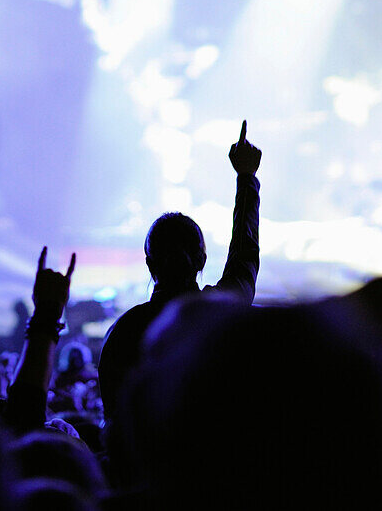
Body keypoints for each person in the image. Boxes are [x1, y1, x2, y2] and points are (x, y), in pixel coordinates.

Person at [98, 119, 261, 422]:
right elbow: (244, 257)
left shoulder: (123, 332)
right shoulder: (217, 317)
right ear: (201, 260)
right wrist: (246, 178)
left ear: (149, 263)